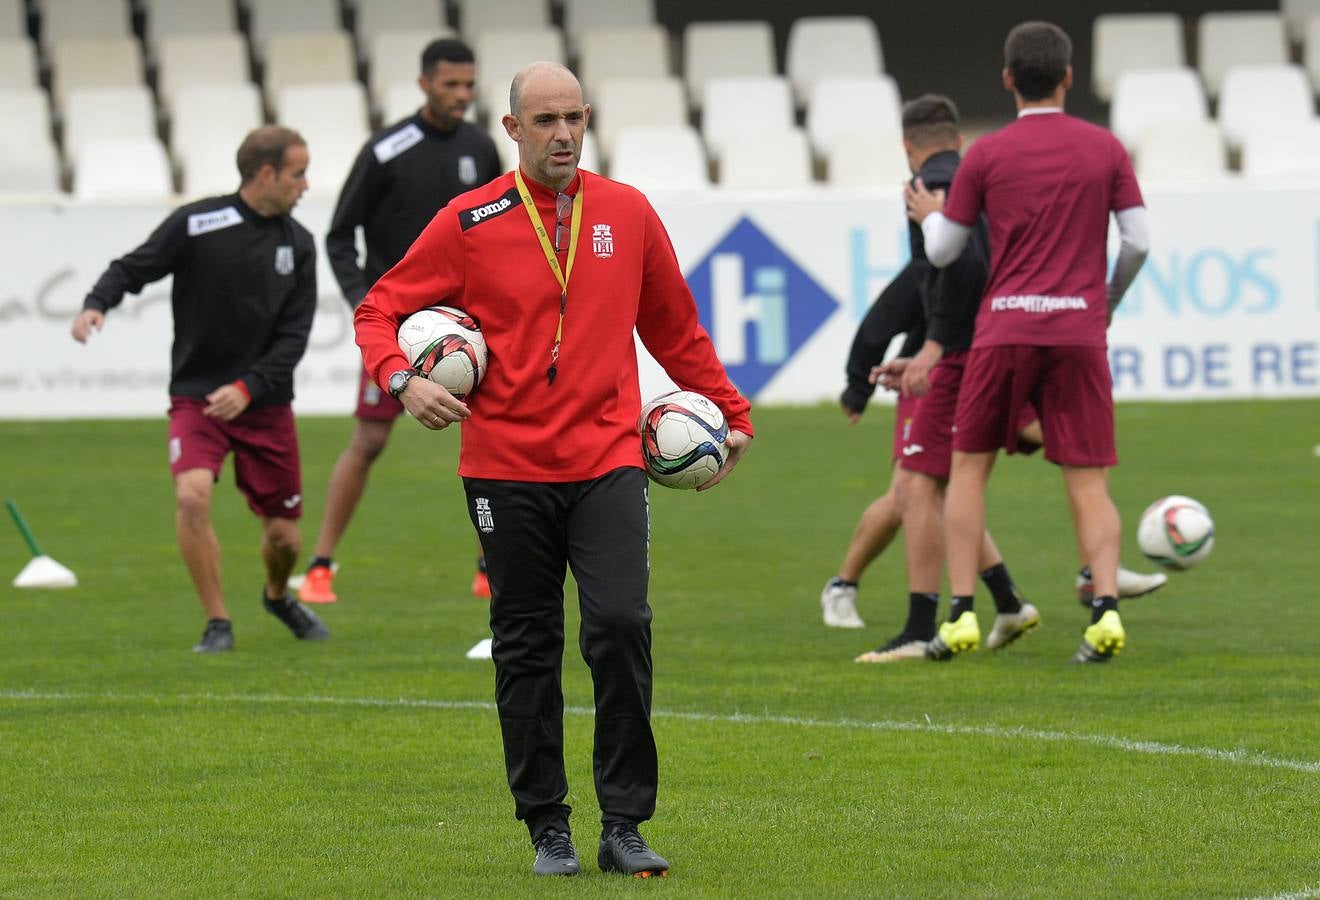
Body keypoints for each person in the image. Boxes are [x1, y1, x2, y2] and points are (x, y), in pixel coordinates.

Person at [353, 62, 753, 877]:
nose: (563, 134)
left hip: (608, 460)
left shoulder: (629, 212)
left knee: (618, 627)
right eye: (545, 121)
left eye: (574, 118)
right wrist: (403, 377)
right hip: (504, 471)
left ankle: (625, 825)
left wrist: (731, 415)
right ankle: (547, 827)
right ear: (513, 131)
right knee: (527, 647)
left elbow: (675, 328)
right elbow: (378, 310)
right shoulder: (470, 220)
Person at [905, 22, 1150, 663]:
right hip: (1077, 328)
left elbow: (949, 250)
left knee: (967, 470)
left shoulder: (986, 154)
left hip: (1005, 327)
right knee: (1087, 481)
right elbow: (1139, 241)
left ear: (1009, 79)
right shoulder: (1106, 149)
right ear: (1068, 77)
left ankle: (960, 612)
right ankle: (1104, 614)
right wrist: (1106, 301)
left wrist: (932, 219)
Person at [71, 126, 326, 653]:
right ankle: (218, 623)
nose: (305, 185)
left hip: (266, 404)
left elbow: (294, 339)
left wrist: (248, 388)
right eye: (298, 173)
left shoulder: (299, 244)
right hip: (197, 398)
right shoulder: (198, 222)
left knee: (285, 539)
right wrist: (98, 302)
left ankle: (278, 596)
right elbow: (133, 267)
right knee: (191, 497)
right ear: (265, 174)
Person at [298, 38, 503, 605]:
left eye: (469, 85)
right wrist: (367, 303)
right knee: (367, 440)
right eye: (450, 85)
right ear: (424, 85)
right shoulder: (387, 150)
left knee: (492, 436)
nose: (462, 96)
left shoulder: (481, 147)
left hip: (467, 328)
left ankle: (491, 565)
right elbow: (340, 235)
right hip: (398, 330)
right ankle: (320, 567)